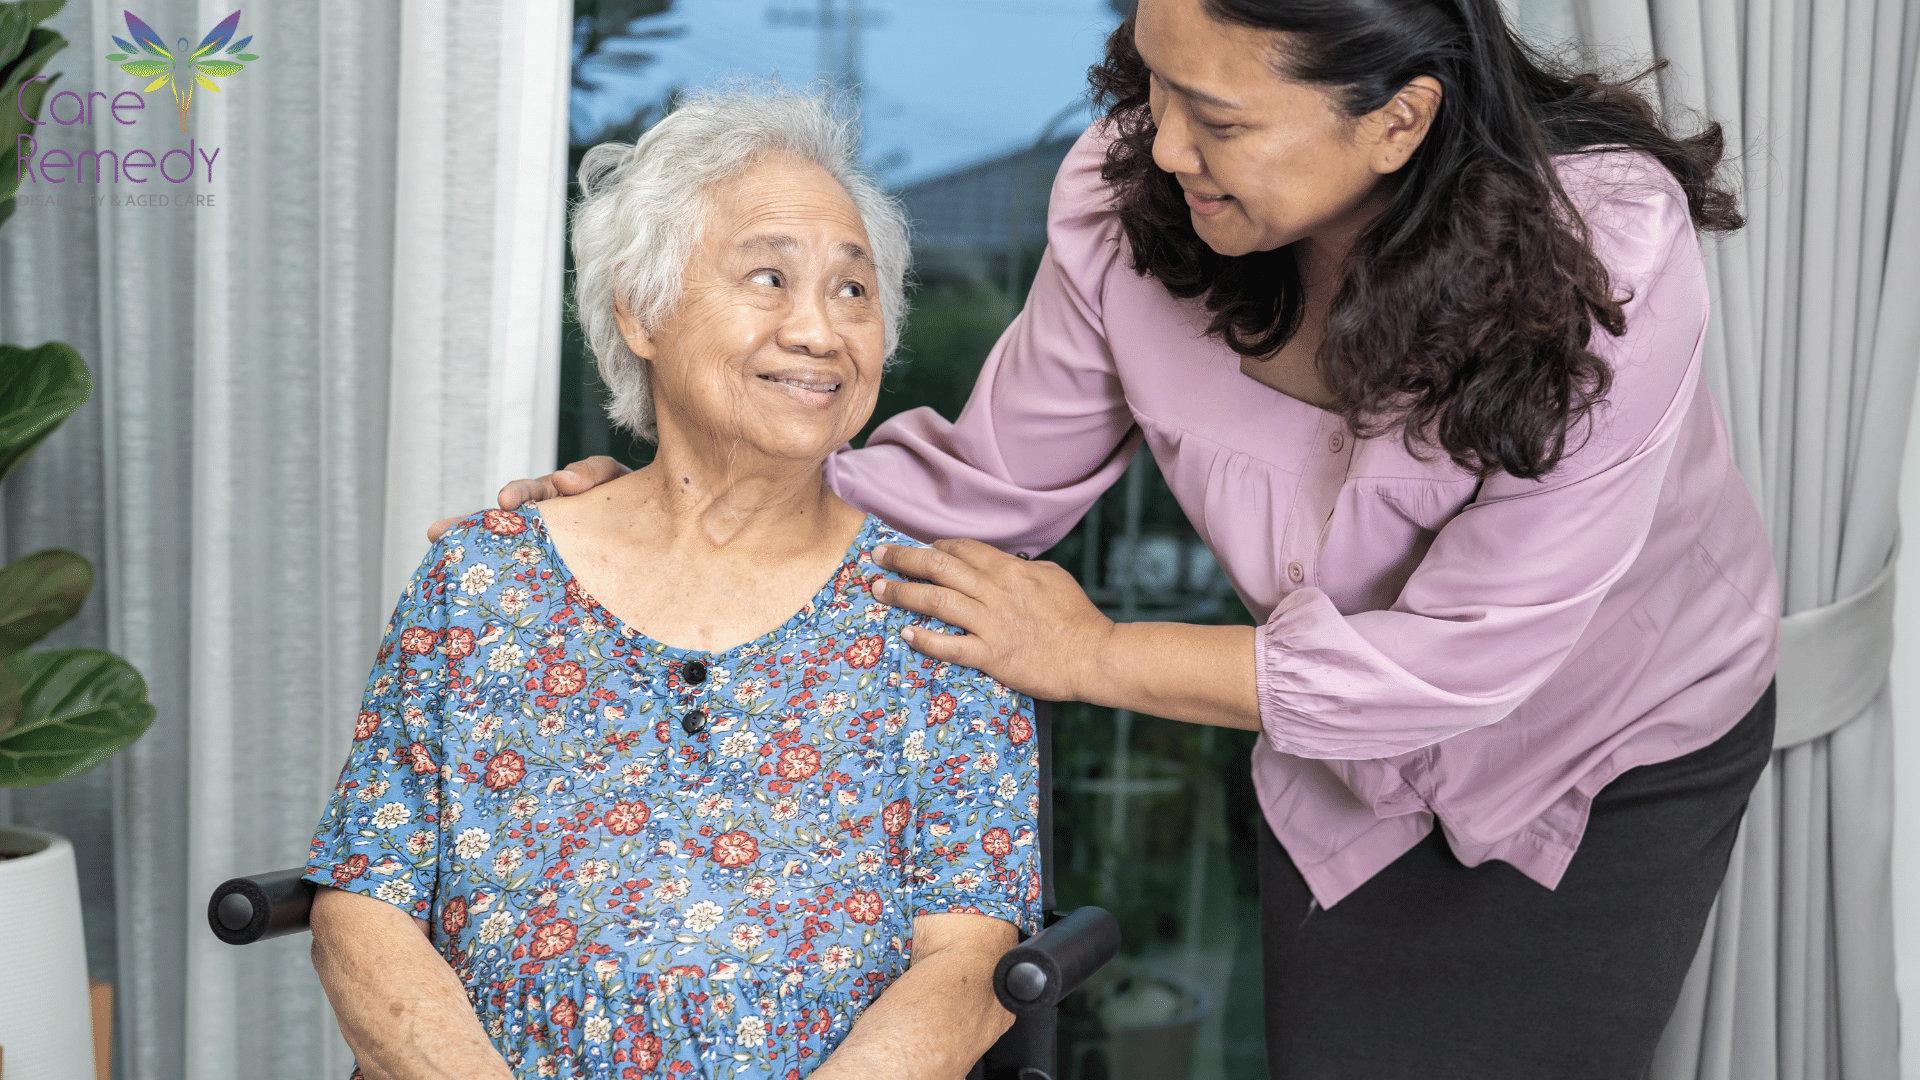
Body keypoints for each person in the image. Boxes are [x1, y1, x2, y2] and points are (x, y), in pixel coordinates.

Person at [467, 1, 1780, 1077]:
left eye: (1219, 120)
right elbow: (984, 488)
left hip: (1606, 745)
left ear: (1396, 120)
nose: (1165, 148)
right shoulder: (1127, 204)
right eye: (1155, 88)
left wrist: (1092, 655)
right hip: (1337, 761)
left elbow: (1465, 661)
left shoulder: (1602, 252)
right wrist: (676, 501)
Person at [308, 87, 1042, 1080]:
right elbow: (362, 908)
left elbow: (967, 967)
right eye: (770, 278)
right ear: (641, 312)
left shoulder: (941, 610)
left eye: (853, 291)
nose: (820, 331)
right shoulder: (479, 580)